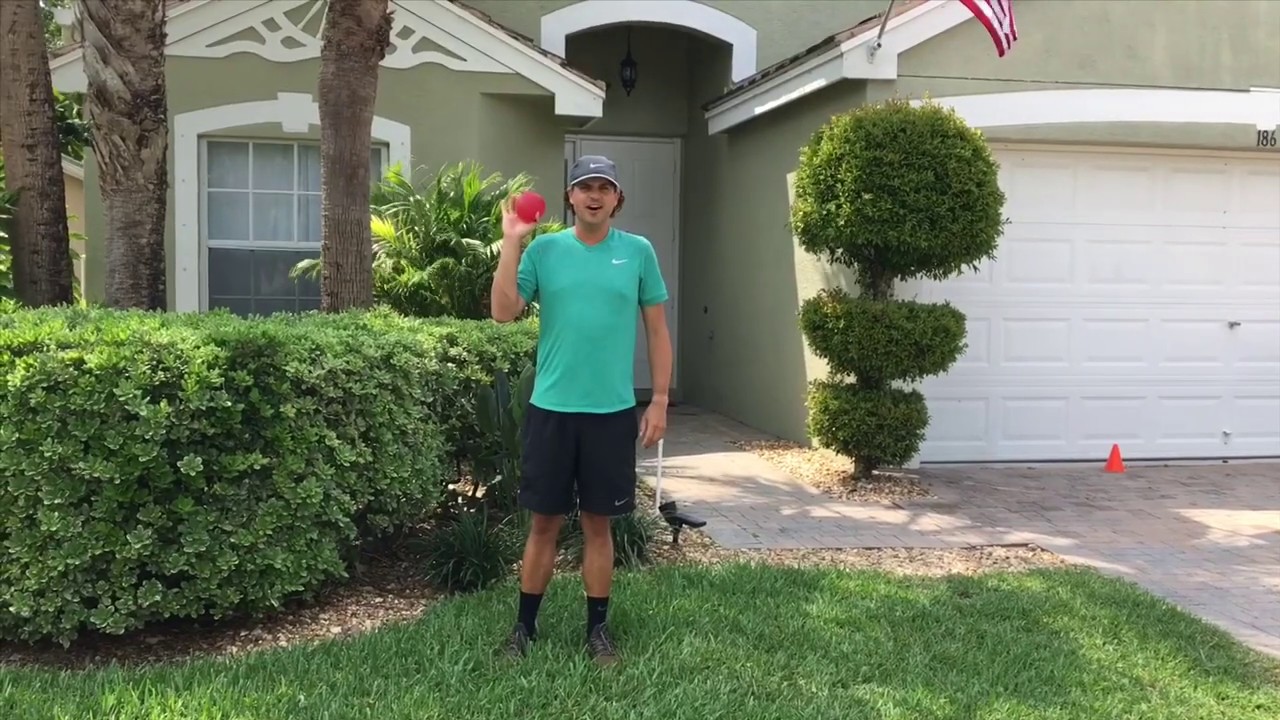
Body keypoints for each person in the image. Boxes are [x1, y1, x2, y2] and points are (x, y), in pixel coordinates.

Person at [489, 154, 672, 666]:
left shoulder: (637, 252)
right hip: (552, 410)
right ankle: (524, 628)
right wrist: (512, 240)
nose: (594, 194)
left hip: (611, 414)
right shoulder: (545, 250)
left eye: (604, 187)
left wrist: (658, 399)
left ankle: (597, 631)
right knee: (543, 524)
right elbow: (504, 313)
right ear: (569, 197)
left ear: (617, 199)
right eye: (584, 186)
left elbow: (657, 332)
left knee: (598, 525)